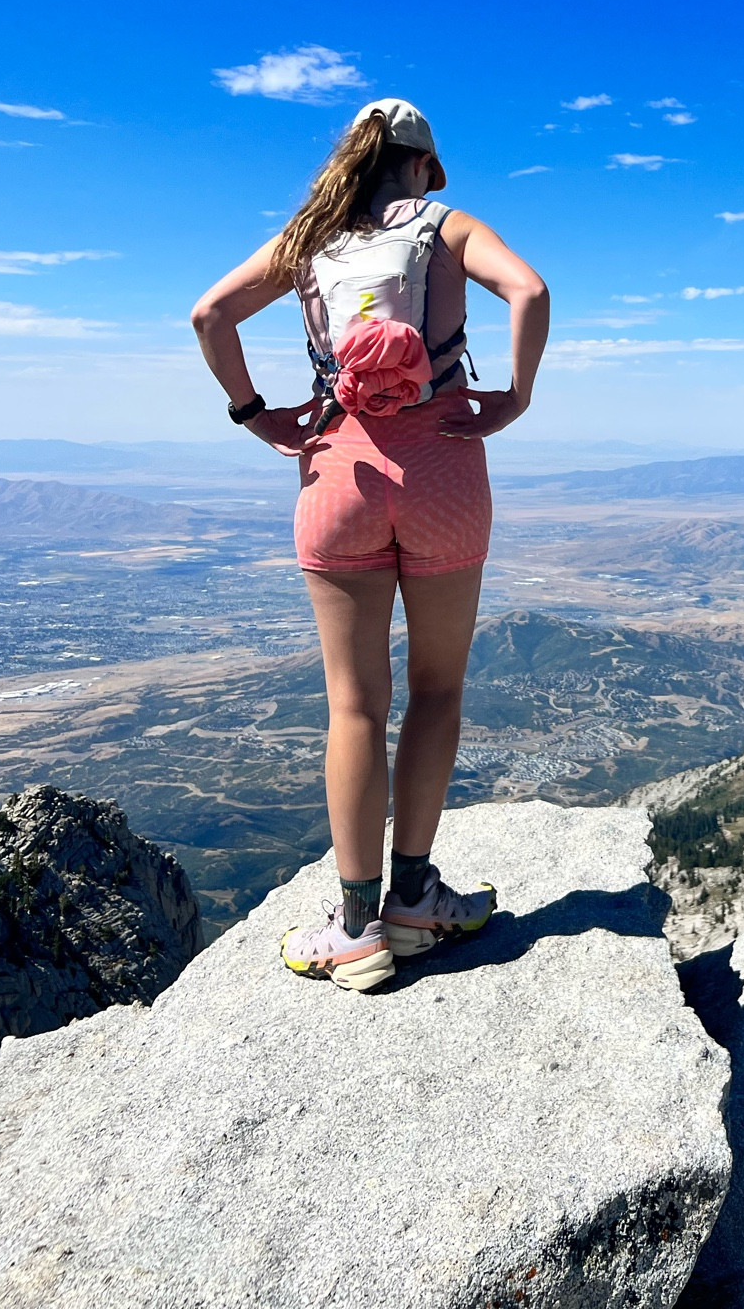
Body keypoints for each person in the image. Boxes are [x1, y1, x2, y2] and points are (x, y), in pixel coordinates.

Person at [191, 97, 549, 990]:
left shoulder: (309, 238)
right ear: (426, 167)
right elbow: (531, 291)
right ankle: (417, 901)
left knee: (353, 705)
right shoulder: (447, 225)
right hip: (445, 471)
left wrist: (254, 412)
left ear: (351, 161)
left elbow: (209, 315)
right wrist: (516, 397)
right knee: (437, 688)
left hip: (336, 476)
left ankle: (354, 925)